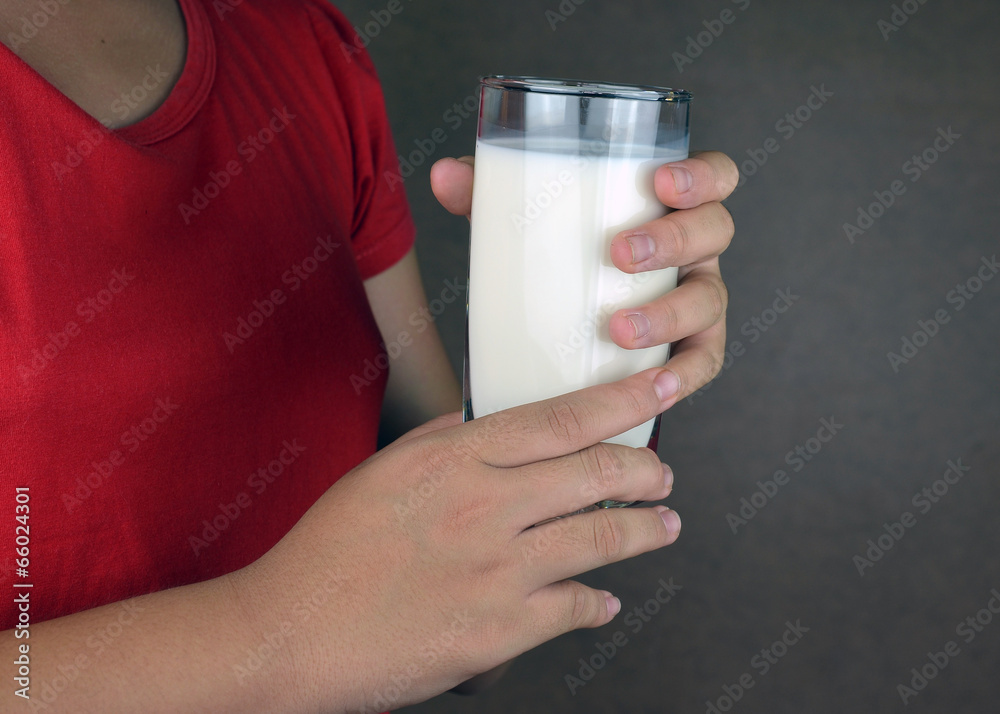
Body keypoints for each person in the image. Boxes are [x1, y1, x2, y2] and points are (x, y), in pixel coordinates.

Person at [0, 0, 736, 711]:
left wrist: (597, 359)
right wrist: (274, 635)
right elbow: (344, 629)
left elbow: (452, 618)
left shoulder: (298, 46)